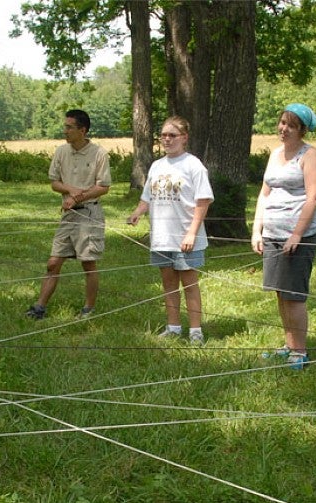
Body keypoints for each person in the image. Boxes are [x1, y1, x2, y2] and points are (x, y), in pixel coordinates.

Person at [126, 116, 214, 342]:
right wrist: (137, 212)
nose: (167, 139)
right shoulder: (157, 165)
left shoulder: (193, 165)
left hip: (186, 236)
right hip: (161, 237)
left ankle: (196, 332)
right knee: (169, 283)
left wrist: (192, 232)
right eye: (163, 135)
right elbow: (147, 197)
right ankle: (173, 327)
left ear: (184, 138)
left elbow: (203, 201)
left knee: (189, 283)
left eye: (172, 135)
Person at [252, 103, 316, 370]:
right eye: (282, 122)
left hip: (298, 236)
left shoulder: (310, 156)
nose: (283, 129)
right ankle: (288, 345)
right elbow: (265, 193)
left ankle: (300, 352)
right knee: (280, 293)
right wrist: (257, 229)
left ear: (302, 130)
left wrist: (297, 234)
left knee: (294, 295)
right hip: (272, 233)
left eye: (291, 125)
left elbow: (313, 197)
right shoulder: (274, 154)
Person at [26, 109, 111, 319]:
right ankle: (39, 307)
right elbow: (54, 182)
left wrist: (77, 198)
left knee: (88, 262)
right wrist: (69, 190)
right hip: (68, 215)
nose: (65, 131)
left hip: (89, 214)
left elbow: (103, 187)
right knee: (53, 262)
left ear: (82, 130)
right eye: (65, 126)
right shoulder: (61, 151)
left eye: (69, 127)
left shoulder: (99, 153)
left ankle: (88, 309)